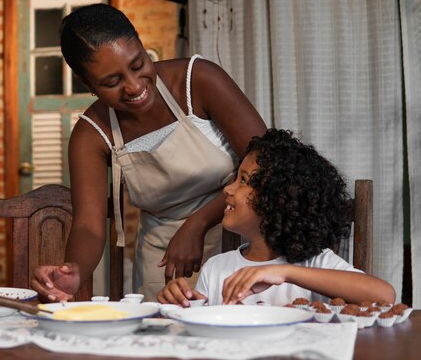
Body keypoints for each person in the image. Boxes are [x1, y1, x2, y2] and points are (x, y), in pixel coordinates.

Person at [31, 3, 267, 302]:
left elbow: (268, 161)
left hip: (245, 242)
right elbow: (89, 226)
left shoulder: (197, 80)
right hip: (167, 263)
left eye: (138, 64)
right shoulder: (91, 133)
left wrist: (197, 223)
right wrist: (73, 271)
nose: (133, 86)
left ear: (142, 47)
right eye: (112, 82)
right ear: (86, 83)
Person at [157, 129, 396, 306]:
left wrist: (283, 273)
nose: (228, 190)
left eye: (244, 181)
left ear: (279, 200)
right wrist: (184, 304)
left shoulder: (315, 263)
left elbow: (385, 295)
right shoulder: (216, 268)